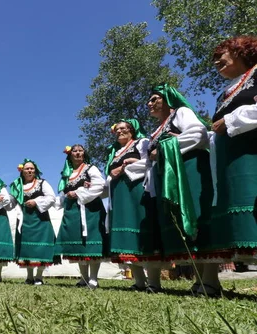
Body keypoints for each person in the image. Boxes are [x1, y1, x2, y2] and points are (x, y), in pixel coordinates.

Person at [145, 84, 214, 294]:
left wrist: (163, 149)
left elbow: (198, 134)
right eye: (149, 101)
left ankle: (210, 280)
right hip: (169, 177)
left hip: (188, 169)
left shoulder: (181, 113)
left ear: (167, 99)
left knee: (196, 216)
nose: (150, 103)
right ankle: (200, 281)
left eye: (155, 99)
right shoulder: (157, 130)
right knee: (180, 223)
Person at [209, 36, 257, 282]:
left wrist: (229, 120)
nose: (217, 61)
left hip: (251, 154)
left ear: (241, 51)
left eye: (222, 54)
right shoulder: (224, 94)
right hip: (230, 159)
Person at [104, 120, 160, 291]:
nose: (120, 131)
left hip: (137, 191)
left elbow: (149, 162)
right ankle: (139, 281)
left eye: (124, 128)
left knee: (143, 232)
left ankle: (155, 282)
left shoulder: (141, 143)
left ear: (132, 130)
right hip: (120, 196)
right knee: (127, 238)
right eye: (117, 129)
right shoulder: (115, 152)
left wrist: (123, 169)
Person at [55, 145, 107, 289]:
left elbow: (100, 185)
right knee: (78, 242)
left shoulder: (91, 169)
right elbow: (62, 194)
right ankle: (83, 278)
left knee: (91, 242)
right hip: (72, 211)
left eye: (80, 151)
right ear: (70, 155)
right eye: (74, 151)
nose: (77, 153)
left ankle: (93, 279)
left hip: (90, 209)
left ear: (84, 154)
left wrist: (79, 192)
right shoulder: (67, 174)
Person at [10, 159, 57, 285]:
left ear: (35, 170)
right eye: (27, 169)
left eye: (31, 168)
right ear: (22, 171)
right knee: (27, 247)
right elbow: (12, 202)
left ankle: (39, 277)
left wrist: (36, 201)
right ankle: (29, 277)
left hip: (40, 219)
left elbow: (51, 198)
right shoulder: (18, 186)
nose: (29, 170)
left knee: (40, 247)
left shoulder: (42, 183)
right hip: (25, 220)